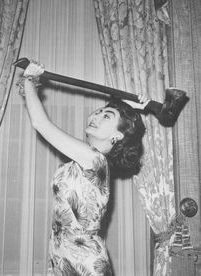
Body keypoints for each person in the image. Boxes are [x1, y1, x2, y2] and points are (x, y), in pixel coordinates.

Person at [18, 61, 149, 276]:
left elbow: (40, 124)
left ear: (118, 136)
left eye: (106, 116)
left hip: (87, 263)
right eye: (98, 112)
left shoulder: (94, 159)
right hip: (60, 256)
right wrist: (129, 106)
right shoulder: (81, 160)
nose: (96, 116)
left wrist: (30, 79)